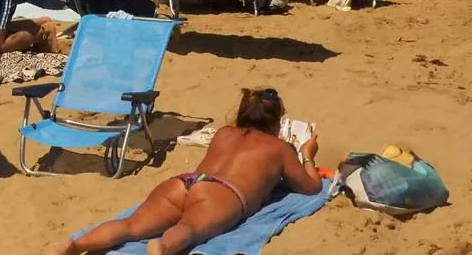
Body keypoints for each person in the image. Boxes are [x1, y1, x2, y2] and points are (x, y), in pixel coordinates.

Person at [47, 87, 321, 255]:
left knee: (131, 225)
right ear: (276, 123)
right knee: (188, 228)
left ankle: (75, 245)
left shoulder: (225, 133)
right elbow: (310, 188)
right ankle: (161, 249)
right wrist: (307, 156)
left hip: (186, 182)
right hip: (221, 193)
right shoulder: (278, 148)